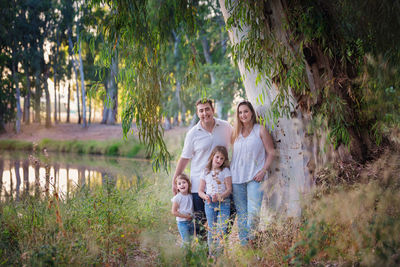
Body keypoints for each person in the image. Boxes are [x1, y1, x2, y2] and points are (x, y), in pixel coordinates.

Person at [172, 98, 232, 240]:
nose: (205, 113)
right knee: (201, 224)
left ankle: (219, 253)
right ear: (197, 113)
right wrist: (175, 180)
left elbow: (240, 141)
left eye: (207, 109)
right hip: (199, 187)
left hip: (221, 186)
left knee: (226, 222)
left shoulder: (226, 127)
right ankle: (203, 256)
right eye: (201, 110)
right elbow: (185, 158)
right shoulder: (193, 133)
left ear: (213, 110)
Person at [230, 100, 275, 246]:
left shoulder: (260, 130)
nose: (243, 115)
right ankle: (245, 247)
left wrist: (263, 170)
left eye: (246, 111)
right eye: (240, 112)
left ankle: (252, 242)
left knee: (253, 214)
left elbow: (271, 152)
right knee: (242, 215)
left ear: (251, 113)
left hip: (255, 178)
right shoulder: (235, 133)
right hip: (237, 179)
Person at [198, 146, 232, 256]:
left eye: (222, 158)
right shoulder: (206, 171)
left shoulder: (225, 171)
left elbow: (229, 189)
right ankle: (212, 254)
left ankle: (219, 256)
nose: (219, 160)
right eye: (217, 157)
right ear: (212, 156)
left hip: (223, 203)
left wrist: (220, 196)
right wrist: (205, 196)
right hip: (209, 203)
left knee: (222, 229)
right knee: (212, 229)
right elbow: (200, 191)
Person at [171, 173, 194, 246]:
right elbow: (174, 212)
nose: (182, 185)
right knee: (186, 242)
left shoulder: (191, 196)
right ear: (177, 187)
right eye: (179, 183)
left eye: (184, 182)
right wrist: (186, 216)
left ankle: (187, 256)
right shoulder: (178, 197)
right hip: (182, 223)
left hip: (191, 222)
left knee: (190, 241)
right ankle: (183, 256)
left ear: (188, 184)